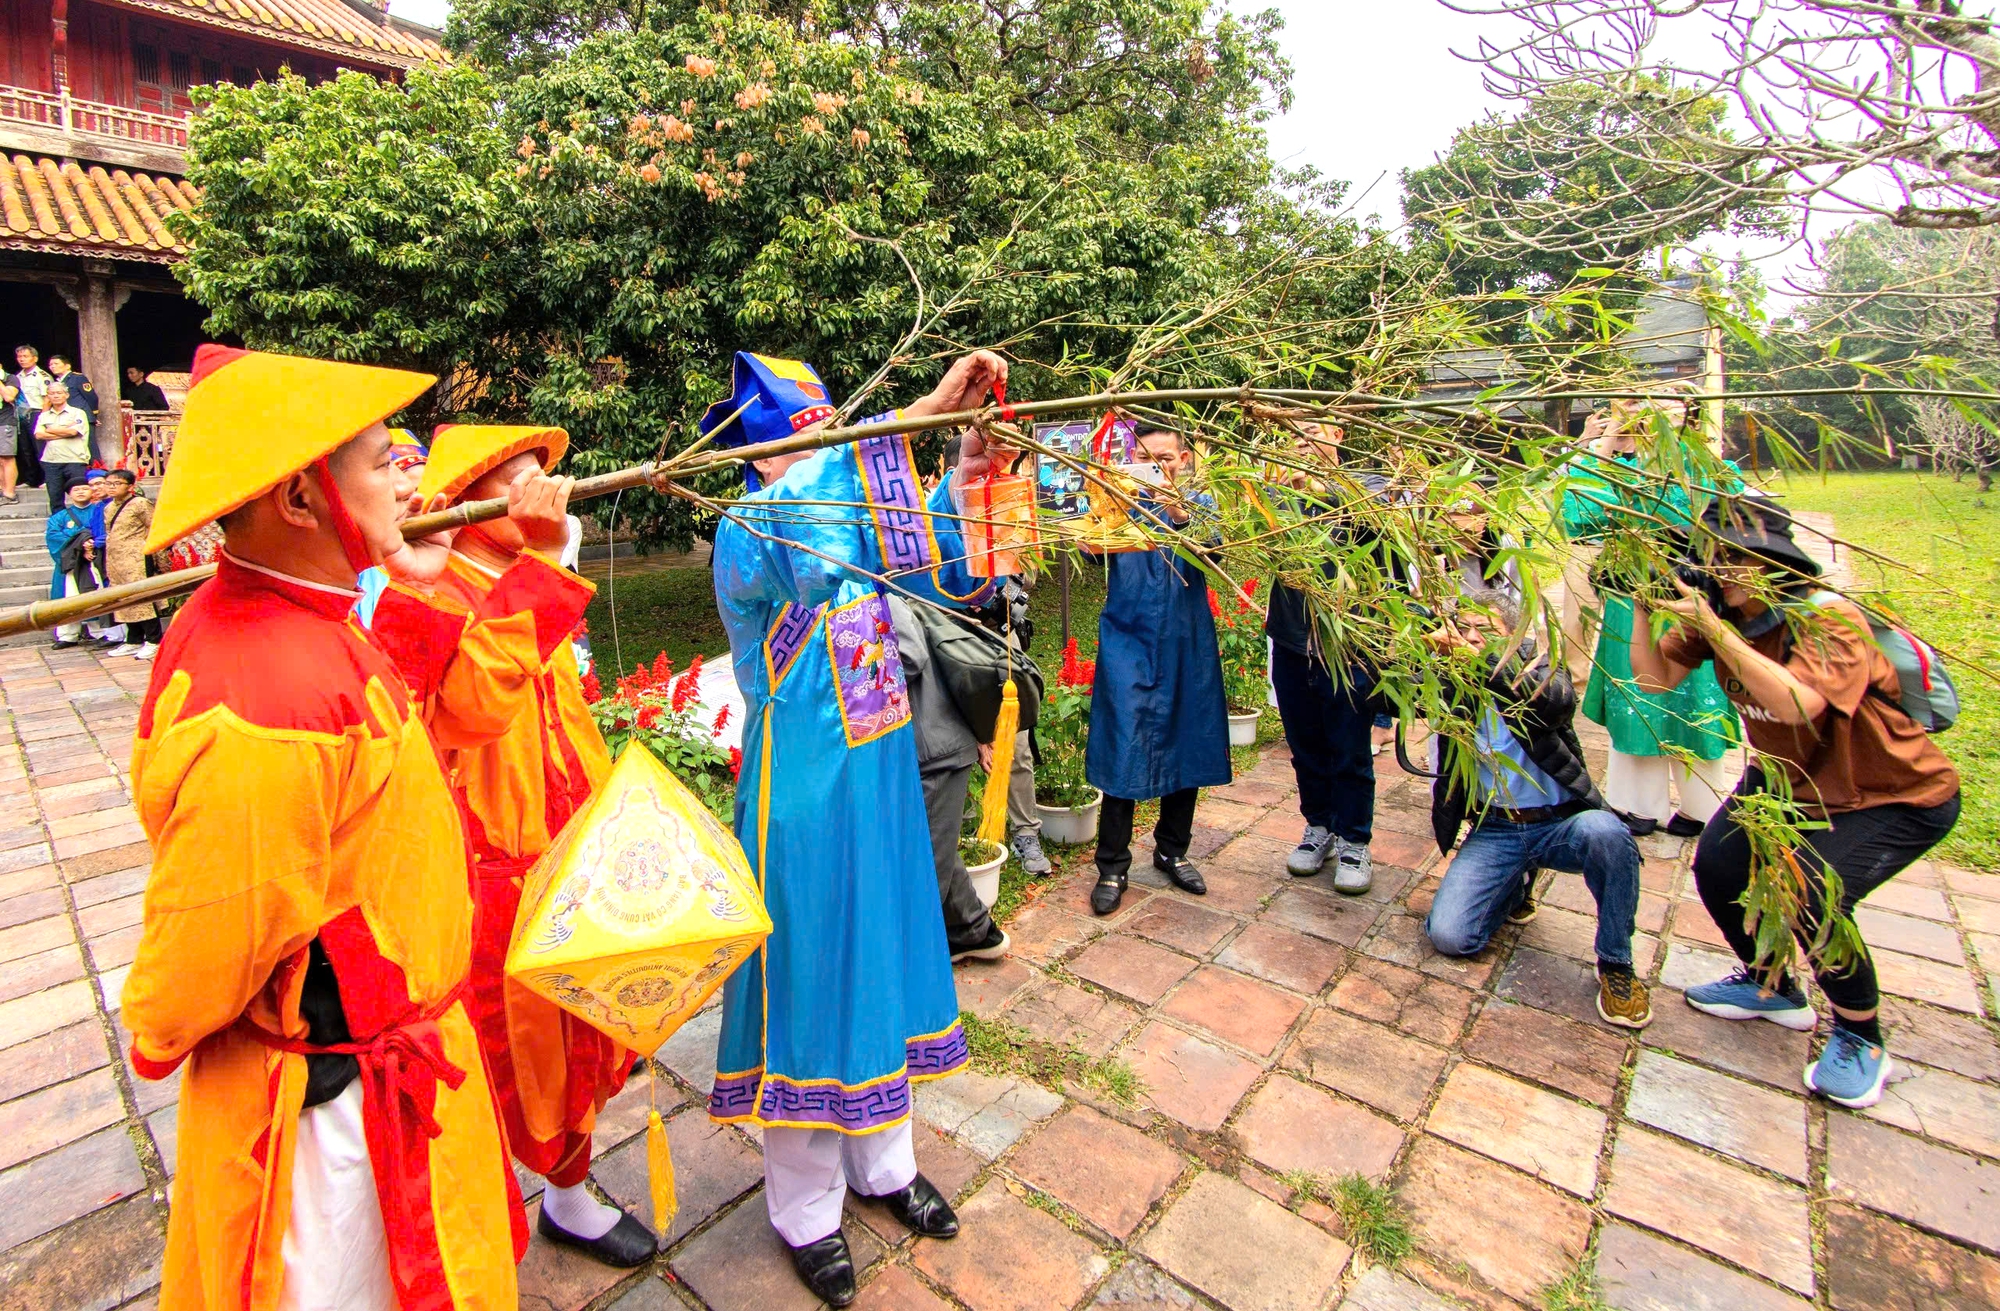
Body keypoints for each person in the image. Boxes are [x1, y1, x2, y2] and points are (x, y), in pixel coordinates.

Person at [121, 344, 524, 1310]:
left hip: (383, 1061)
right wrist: (159, 1030)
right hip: (333, 1113)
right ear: (302, 500)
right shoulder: (265, 697)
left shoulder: (302, 619)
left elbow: (400, 719)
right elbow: (215, 929)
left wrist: (427, 576)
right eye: (384, 461)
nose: (405, 479)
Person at [703, 350, 1010, 1305]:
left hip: (876, 779)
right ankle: (804, 1204)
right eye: (819, 440)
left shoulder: (840, 505)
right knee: (814, 973)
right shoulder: (750, 528)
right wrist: (909, 414)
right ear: (765, 457)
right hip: (799, 796)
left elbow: (943, 571)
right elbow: (808, 557)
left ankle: (883, 1164)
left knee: (879, 956)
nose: (838, 456)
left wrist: (961, 470)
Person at [407, 423, 653, 1265]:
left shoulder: (522, 575)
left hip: (563, 852)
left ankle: (570, 1199)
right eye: (518, 479)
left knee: (576, 1042)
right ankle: (487, 1207)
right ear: (474, 502)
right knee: (501, 1057)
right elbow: (475, 711)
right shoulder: (435, 590)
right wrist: (546, 566)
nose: (546, 490)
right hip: (483, 876)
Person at [1629, 493, 1962, 1108]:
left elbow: (1794, 704)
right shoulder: (1722, 616)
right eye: (1713, 557)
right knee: (1720, 865)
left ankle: (1862, 1036)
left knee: (1811, 894)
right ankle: (1771, 986)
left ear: (1773, 562)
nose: (1721, 570)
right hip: (1785, 783)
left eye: (1736, 558)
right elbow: (1653, 680)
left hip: (1890, 793)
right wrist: (1643, 608)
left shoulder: (1831, 621)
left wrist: (1713, 630)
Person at [1422, 539, 1651, 1030]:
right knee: (1450, 936)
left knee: (1609, 836)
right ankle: (1514, 884)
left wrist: (1484, 663)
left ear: (1512, 636)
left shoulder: (1537, 668)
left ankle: (1617, 963)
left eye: (1484, 632)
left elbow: (1552, 705)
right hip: (1498, 828)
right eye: (1463, 630)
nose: (1471, 640)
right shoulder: (1451, 680)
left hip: (1562, 822)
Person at [1562, 402, 1741, 837]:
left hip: (1690, 598)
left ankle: (1702, 806)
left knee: (1694, 697)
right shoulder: (1617, 471)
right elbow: (1577, 516)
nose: (1659, 409)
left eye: (1672, 402)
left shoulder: (1709, 471)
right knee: (1635, 698)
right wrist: (1608, 437)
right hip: (1630, 598)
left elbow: (1723, 522)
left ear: (1691, 414)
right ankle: (1638, 805)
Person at [1083, 425, 1231, 915]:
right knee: (1123, 742)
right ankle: (1112, 866)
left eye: (1165, 458)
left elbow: (1214, 552)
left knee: (1188, 741)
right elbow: (1089, 544)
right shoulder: (1118, 501)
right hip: (1129, 638)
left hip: (1188, 643)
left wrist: (1177, 511)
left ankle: (1172, 849)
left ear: (1184, 458)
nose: (1157, 467)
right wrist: (1095, 512)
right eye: (1146, 459)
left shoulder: (1202, 502)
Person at [1266, 422, 1388, 892]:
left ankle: (1355, 839)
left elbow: (1381, 546)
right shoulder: (1274, 495)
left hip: (1348, 646)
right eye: (1291, 430)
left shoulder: (1367, 489)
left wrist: (1319, 488)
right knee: (1305, 744)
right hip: (1293, 641)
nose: (1300, 437)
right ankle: (1319, 826)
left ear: (1338, 433)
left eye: (1311, 428)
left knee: (1350, 748)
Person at [940, 434, 1051, 874]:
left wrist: (1013, 556)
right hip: (949, 640)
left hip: (1001, 639)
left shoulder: (1010, 509)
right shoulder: (933, 515)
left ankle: (1025, 832)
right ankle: (962, 830)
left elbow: (1030, 577)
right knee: (952, 742)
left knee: (1015, 741)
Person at [101, 468, 162, 658]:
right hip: (116, 559)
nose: (111, 487)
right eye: (108, 483)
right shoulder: (108, 507)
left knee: (142, 596)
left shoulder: (140, 504)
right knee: (123, 597)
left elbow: (154, 526)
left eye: (117, 483)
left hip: (136, 558)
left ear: (130, 486)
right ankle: (134, 639)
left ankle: (154, 640)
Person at [44, 481, 109, 649]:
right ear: (69, 494)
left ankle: (101, 632)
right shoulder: (60, 517)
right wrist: (80, 542)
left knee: (96, 595)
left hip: (93, 560)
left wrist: (93, 543)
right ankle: (68, 635)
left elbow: (105, 531)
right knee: (68, 597)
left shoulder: (100, 511)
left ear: (91, 491)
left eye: (84, 488)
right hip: (71, 563)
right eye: (76, 489)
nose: (81, 492)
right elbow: (53, 537)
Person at [4, 344, 52, 498]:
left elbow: (47, 398)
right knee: (25, 449)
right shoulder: (17, 376)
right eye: (19, 357)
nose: (22, 359)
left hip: (36, 413)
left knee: (40, 448)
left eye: (25, 356)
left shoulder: (42, 376)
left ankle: (47, 478)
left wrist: (43, 420)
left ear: (35, 358)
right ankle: (31, 479)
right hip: (20, 415)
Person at [36, 381, 93, 513]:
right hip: (51, 460)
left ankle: (83, 525)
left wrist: (50, 430)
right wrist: (63, 431)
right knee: (55, 497)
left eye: (59, 393)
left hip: (75, 459)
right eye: (52, 393)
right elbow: (39, 435)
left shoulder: (78, 413)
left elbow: (73, 432)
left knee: (81, 495)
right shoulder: (44, 415)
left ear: (66, 395)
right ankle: (58, 526)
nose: (55, 396)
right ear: (48, 396)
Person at [47, 354, 97, 433]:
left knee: (89, 444)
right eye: (50, 365)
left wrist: (93, 415)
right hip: (68, 418)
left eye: (56, 364)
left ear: (67, 366)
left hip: (83, 416)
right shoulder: (57, 382)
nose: (52, 366)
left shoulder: (78, 378)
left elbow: (91, 397)